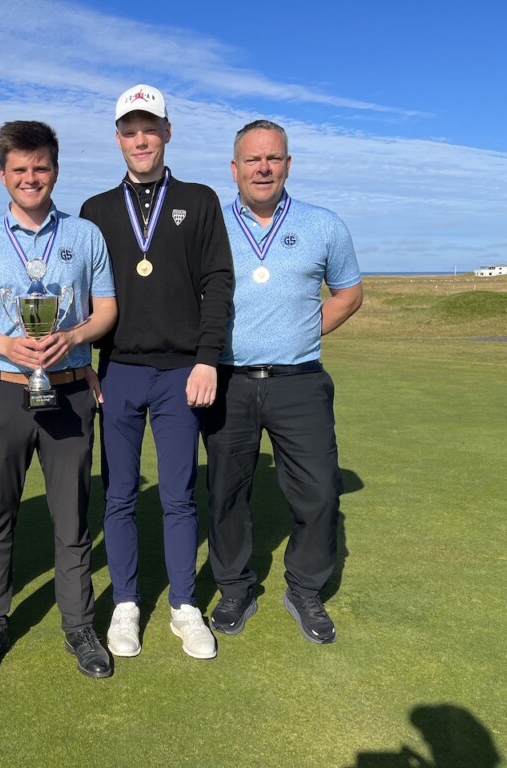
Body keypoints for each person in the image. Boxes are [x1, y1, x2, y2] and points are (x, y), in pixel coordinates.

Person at [0, 120, 118, 679]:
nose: (31, 178)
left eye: (40, 167)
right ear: (3, 174)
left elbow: (106, 309)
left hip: (68, 392)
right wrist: (6, 346)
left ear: (55, 170)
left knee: (72, 517)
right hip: (2, 392)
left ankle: (79, 625)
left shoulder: (85, 235)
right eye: (19, 169)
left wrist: (73, 338)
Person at [80, 85, 234, 660]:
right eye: (130, 130)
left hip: (180, 374)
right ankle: (125, 603)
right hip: (117, 370)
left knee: (178, 496)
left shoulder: (199, 199)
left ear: (167, 132)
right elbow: (81, 297)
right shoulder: (96, 210)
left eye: (150, 128)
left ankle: (184, 607)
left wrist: (207, 357)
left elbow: (217, 282)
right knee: (119, 495)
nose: (140, 139)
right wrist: (83, 364)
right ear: (118, 138)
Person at [204, 119, 363, 644]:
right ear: (234, 168)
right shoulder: (210, 226)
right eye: (252, 159)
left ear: (288, 165)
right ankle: (234, 588)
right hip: (229, 380)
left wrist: (304, 331)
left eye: (273, 158)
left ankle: (305, 589)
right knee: (226, 492)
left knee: (319, 492)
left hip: (300, 382)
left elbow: (348, 294)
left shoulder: (324, 225)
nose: (263, 168)